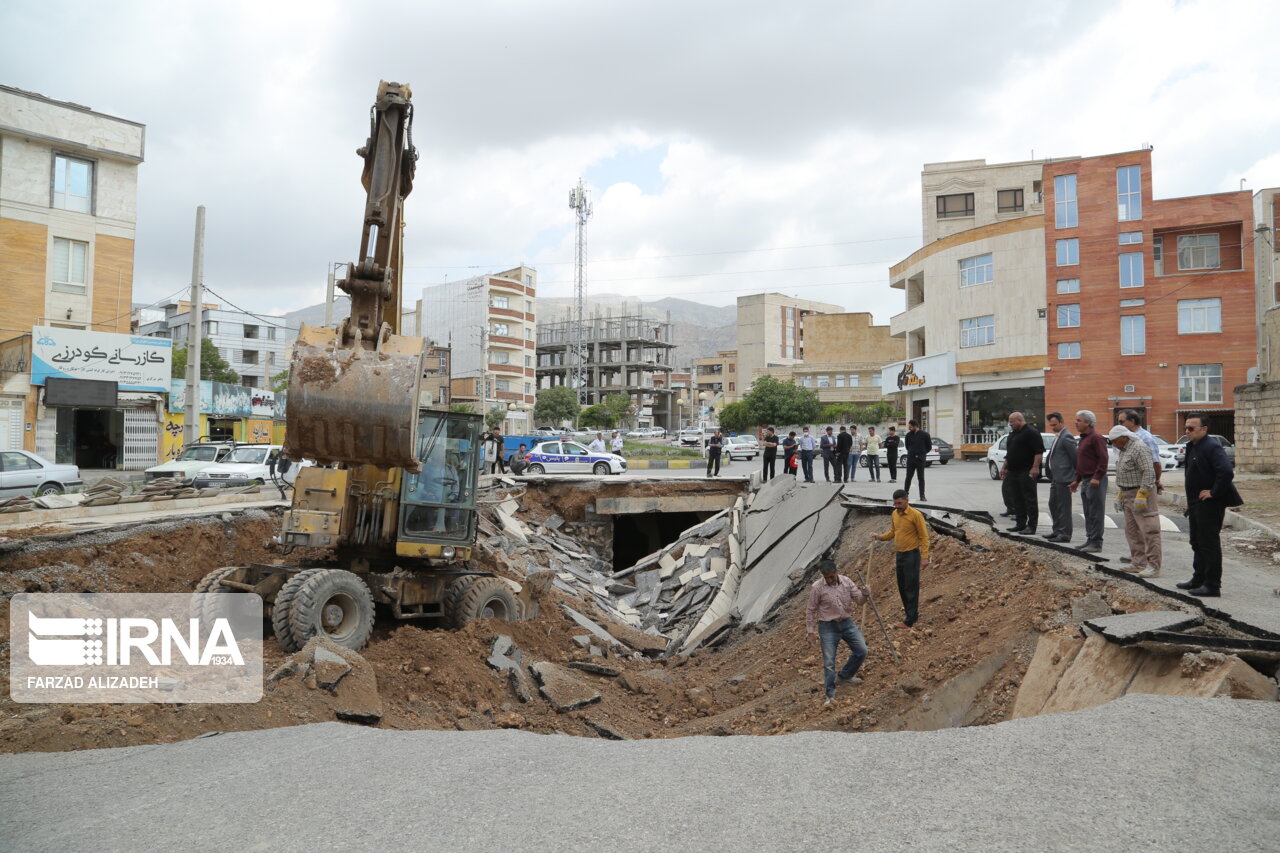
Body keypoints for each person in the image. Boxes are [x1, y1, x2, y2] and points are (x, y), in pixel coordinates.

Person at [1178, 413, 1243, 597]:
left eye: (1191, 428)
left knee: (1208, 543)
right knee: (1196, 541)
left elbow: (1226, 472)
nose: (1187, 431)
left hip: (1210, 503)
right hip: (1195, 502)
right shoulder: (1193, 446)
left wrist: (1213, 492)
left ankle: (1212, 585)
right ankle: (1198, 578)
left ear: (1204, 429)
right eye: (1186, 428)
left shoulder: (1212, 447)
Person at [805, 558, 868, 707]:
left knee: (862, 650)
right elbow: (810, 610)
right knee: (829, 663)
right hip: (827, 627)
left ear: (836, 572)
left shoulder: (846, 582)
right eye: (826, 577)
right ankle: (830, 694)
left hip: (847, 623)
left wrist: (865, 594)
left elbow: (859, 601)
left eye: (831, 576)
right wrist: (811, 632)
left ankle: (845, 676)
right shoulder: (817, 587)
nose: (829, 579)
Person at [870, 489, 930, 629]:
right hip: (900, 555)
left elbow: (924, 537)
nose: (897, 506)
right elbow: (893, 532)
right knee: (902, 586)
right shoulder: (894, 514)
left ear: (906, 500)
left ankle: (910, 620)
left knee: (911, 587)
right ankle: (910, 615)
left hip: (912, 555)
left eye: (900, 503)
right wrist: (879, 537)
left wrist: (925, 557)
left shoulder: (916, 515)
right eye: (895, 503)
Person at [1109, 425, 1161, 578]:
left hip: (1140, 494)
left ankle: (1154, 566)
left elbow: (1149, 472)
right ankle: (1138, 562)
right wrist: (1121, 494)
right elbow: (1124, 473)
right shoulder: (1125, 450)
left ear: (1124, 437)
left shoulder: (1139, 448)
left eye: (1115, 441)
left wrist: (1143, 493)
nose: (1113, 444)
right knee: (1132, 531)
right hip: (1127, 494)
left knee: (1149, 530)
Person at [1069, 409, 1108, 554]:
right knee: (1088, 511)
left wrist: (1097, 477)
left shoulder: (1096, 438)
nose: (1076, 423)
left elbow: (1103, 460)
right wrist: (1076, 480)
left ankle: (1097, 542)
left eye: (1079, 420)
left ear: (1088, 423)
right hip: (1085, 480)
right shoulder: (1084, 438)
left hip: (1095, 480)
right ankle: (1090, 539)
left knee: (1096, 512)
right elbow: (1082, 462)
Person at [999, 412, 1044, 534]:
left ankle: (1032, 526)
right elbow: (1010, 454)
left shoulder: (1031, 432)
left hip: (1026, 471)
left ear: (1020, 420)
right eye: (1010, 422)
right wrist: (1004, 468)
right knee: (1016, 498)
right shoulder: (1013, 434)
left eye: (1012, 422)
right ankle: (1020, 524)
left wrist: (1035, 467)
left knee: (1029, 499)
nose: (1010, 424)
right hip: (1013, 471)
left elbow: (1038, 452)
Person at [1042, 412, 1078, 544]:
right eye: (1051, 425)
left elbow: (1075, 458)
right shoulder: (1058, 436)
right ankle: (1057, 530)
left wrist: (1075, 477)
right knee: (1053, 504)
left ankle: (1065, 534)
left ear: (1062, 421)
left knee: (1063, 507)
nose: (1053, 427)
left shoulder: (1067, 436)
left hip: (1064, 478)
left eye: (1055, 425)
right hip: (1056, 478)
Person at [903, 420, 930, 502]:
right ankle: (905, 495)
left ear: (916, 426)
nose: (909, 428)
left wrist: (922, 454)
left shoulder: (925, 435)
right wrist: (912, 452)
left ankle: (922, 495)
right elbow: (907, 446)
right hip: (911, 459)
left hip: (920, 459)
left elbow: (929, 447)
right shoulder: (908, 435)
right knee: (908, 477)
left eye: (910, 427)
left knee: (921, 478)